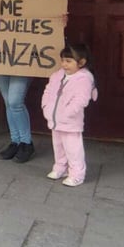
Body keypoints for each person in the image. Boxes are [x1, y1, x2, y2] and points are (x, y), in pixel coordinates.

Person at [0, 0, 43, 163]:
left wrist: (59, 20)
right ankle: (15, 141)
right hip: (1, 56)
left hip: (25, 57)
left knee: (15, 101)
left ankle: (27, 143)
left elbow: (47, 20)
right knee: (8, 103)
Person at [41, 43, 98, 187]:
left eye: (68, 61)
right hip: (55, 120)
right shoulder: (57, 75)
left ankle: (77, 174)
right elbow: (48, 91)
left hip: (70, 122)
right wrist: (46, 107)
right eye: (63, 60)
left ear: (81, 62)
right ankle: (61, 168)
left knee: (73, 149)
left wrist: (67, 114)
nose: (64, 64)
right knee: (58, 145)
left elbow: (81, 101)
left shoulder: (84, 79)